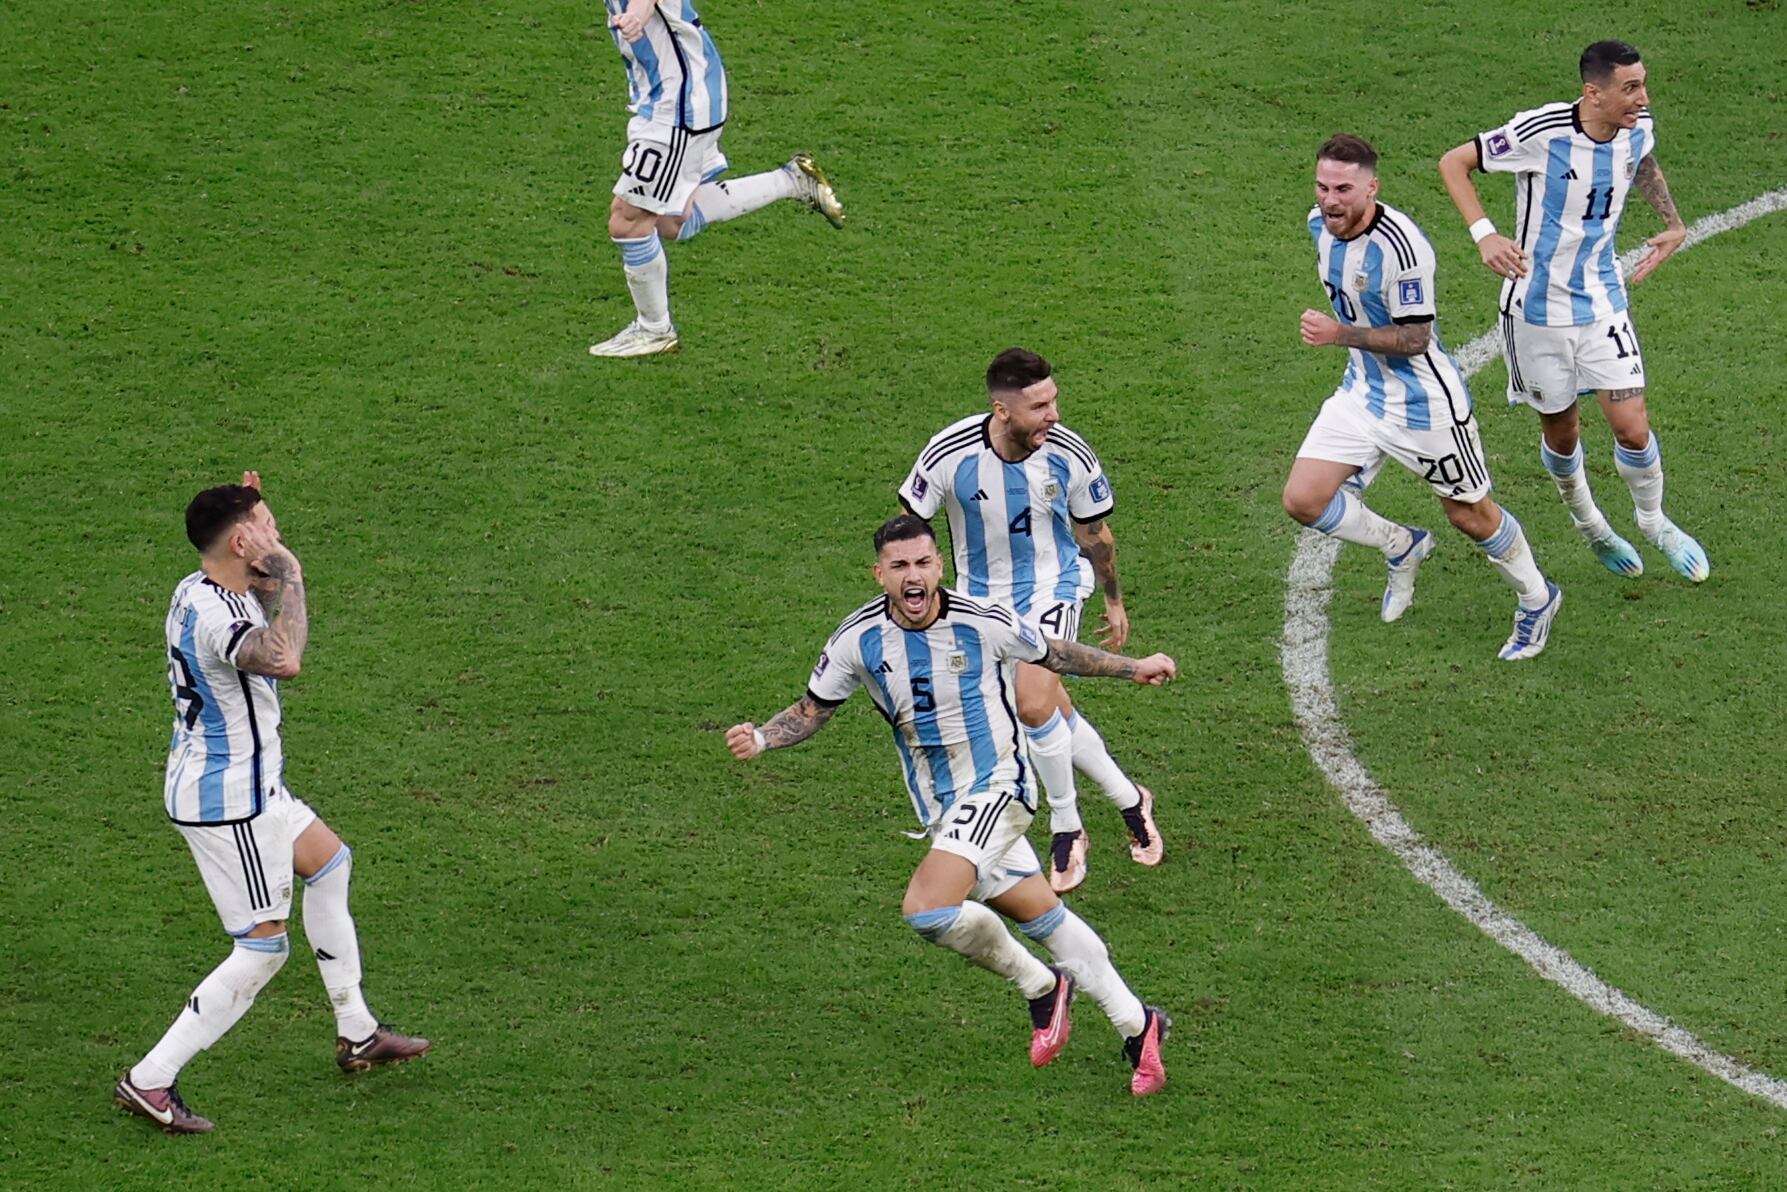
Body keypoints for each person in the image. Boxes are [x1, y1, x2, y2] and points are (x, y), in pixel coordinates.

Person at [725, 515, 1175, 1095]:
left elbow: (1057, 655)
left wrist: (1134, 667)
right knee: (1046, 918)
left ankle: (1043, 989)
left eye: (922, 563)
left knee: (928, 910)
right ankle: (1141, 1030)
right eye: (899, 566)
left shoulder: (983, 623)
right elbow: (813, 710)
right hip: (944, 808)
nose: (913, 577)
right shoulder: (856, 640)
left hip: (999, 788)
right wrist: (762, 737)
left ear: (939, 565)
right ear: (880, 574)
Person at [115, 473, 428, 1134]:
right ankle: (150, 1080)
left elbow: (254, 586)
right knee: (262, 950)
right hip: (230, 803)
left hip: (251, 783)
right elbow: (284, 659)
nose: (277, 537)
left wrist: (252, 516)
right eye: (265, 526)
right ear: (239, 542)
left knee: (329, 862)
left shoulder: (203, 584)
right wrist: (291, 571)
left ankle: (358, 1031)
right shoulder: (218, 615)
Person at [1437, 39, 1707, 582]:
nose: (1643, 97)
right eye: (1630, 88)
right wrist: (1485, 236)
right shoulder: (1543, 132)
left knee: (1632, 426)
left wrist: (1674, 222)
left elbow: (1643, 158)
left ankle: (1654, 523)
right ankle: (1592, 526)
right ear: (1593, 93)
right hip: (1535, 312)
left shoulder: (1636, 124)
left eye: (1643, 83)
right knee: (1563, 433)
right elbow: (1454, 163)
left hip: (1602, 301)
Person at [1285, 134, 1562, 660]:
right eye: (1322, 187)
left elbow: (1414, 340)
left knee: (1469, 514)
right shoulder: (1318, 225)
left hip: (1423, 405)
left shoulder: (1403, 250)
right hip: (1362, 391)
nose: (1330, 200)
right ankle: (1401, 543)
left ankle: (1537, 597)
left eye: (1344, 188)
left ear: (1372, 188)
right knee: (1303, 500)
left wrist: (1337, 334)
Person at [899, 349, 1160, 895]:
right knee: (1053, 710)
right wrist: (920, 594)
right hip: (978, 601)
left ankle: (1067, 827)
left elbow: (1095, 536)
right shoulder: (950, 453)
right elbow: (910, 526)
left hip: (1054, 587)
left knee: (1033, 701)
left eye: (1054, 400)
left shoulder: (1069, 454)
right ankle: (1130, 799)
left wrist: (1112, 599)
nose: (1054, 415)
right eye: (1040, 406)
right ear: (1001, 409)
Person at [588, 0, 845, 358]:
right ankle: (792, 181)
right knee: (670, 220)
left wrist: (637, 16)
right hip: (679, 96)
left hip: (678, 107)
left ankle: (654, 330)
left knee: (627, 221)